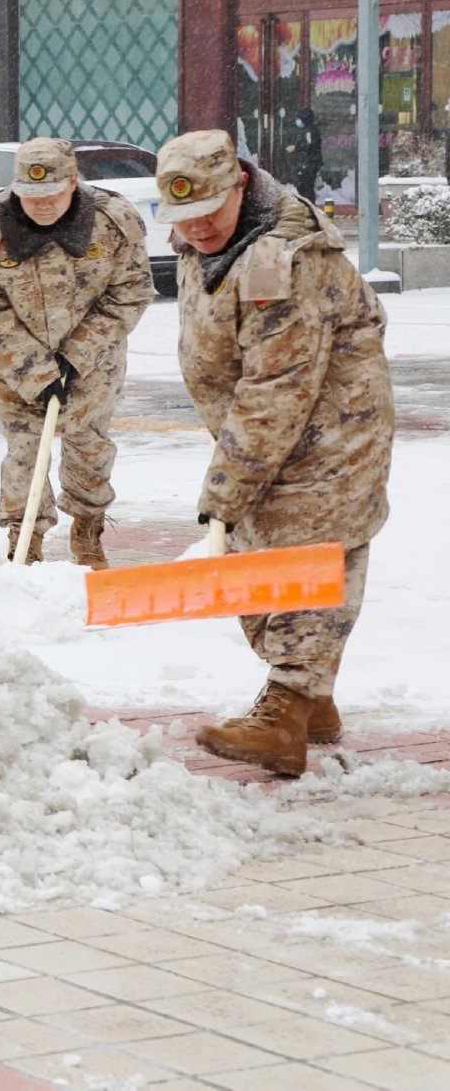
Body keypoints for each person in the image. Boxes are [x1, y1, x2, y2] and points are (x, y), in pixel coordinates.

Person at [157, 129, 393, 777]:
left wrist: (224, 491)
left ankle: (285, 711)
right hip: (266, 432)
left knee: (306, 556)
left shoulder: (276, 261)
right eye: (183, 216)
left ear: (240, 186)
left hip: (331, 427)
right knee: (258, 561)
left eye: (209, 212)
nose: (197, 227)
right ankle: (310, 699)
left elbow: (276, 389)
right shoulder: (208, 242)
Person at [0, 138, 154, 567]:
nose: (41, 204)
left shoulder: (112, 225)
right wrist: (35, 372)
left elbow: (132, 293)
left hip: (94, 363)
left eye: (51, 194)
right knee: (26, 448)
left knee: (88, 447)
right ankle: (24, 538)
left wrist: (77, 356)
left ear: (74, 182)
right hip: (13, 364)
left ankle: (87, 526)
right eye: (31, 195)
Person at [278, 108, 322, 204]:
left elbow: (310, 145)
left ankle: (307, 206)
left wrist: (296, 148)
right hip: (308, 163)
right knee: (304, 186)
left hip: (309, 164)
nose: (297, 121)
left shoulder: (310, 131)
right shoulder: (307, 130)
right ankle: (306, 205)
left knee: (306, 187)